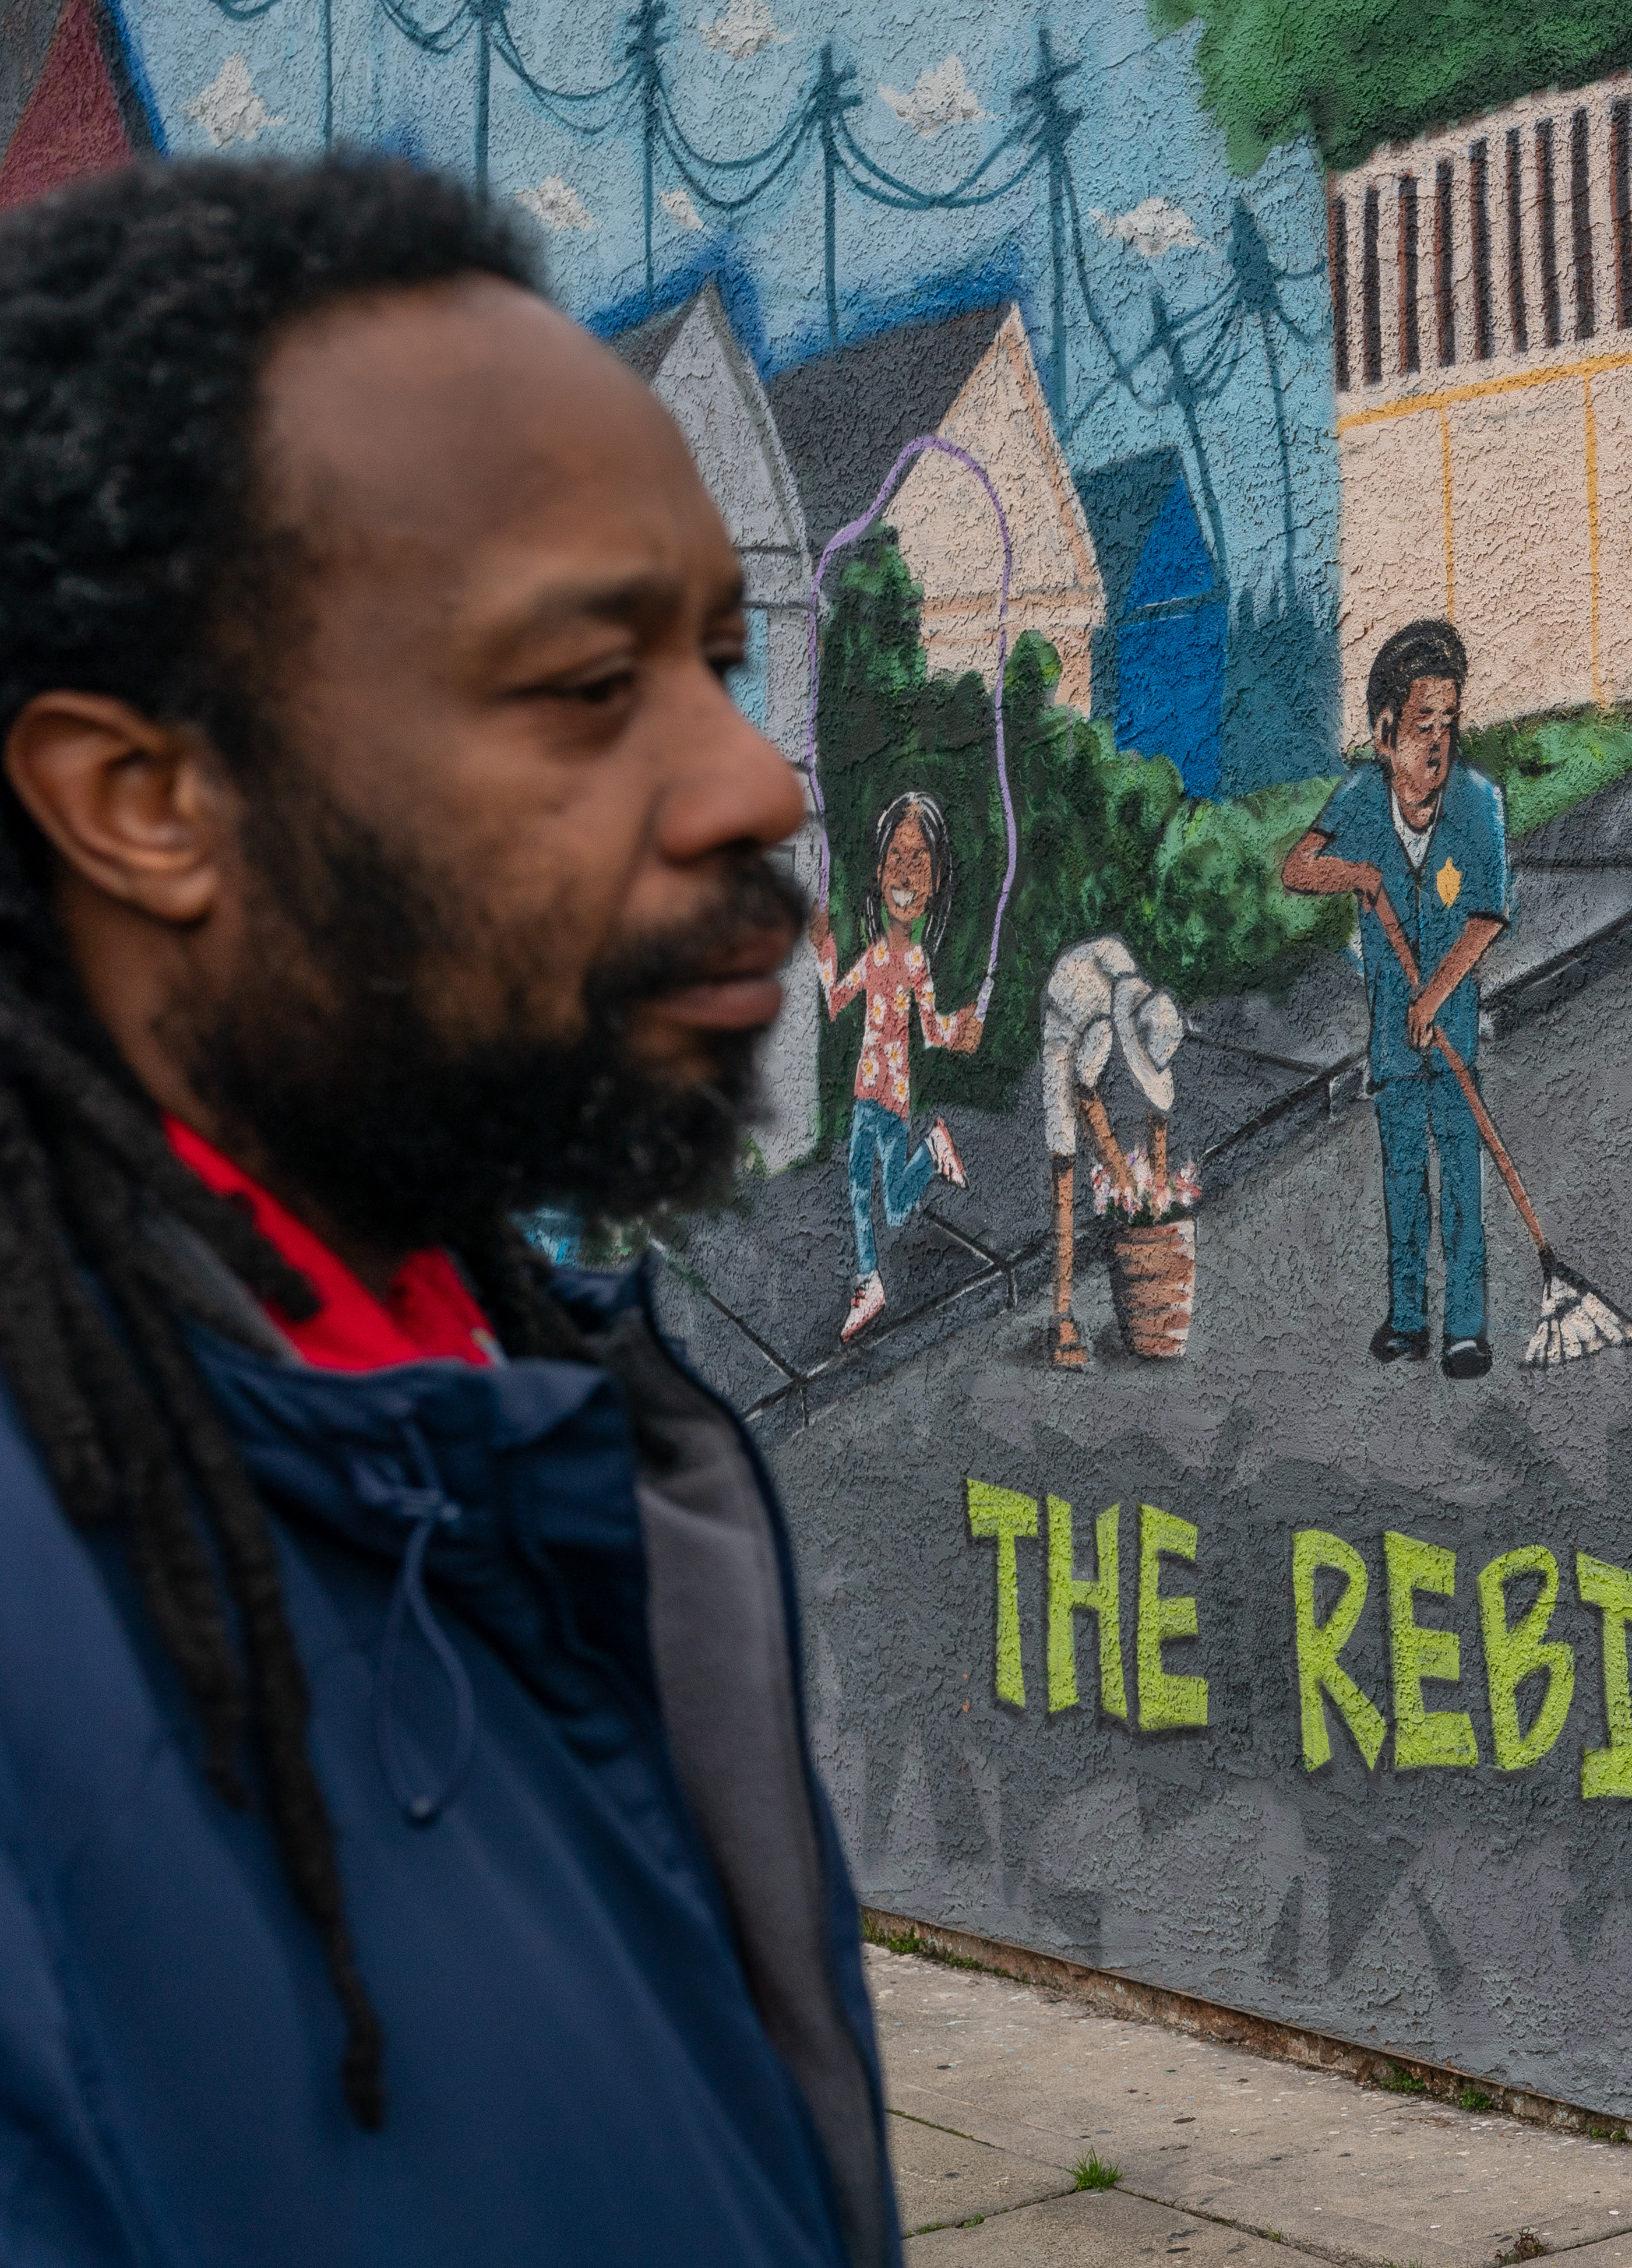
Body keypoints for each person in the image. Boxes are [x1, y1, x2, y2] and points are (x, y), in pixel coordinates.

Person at [0, 156, 895, 2264]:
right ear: (145, 802)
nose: (754, 777)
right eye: (590, 687)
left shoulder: (490, 1397)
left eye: (720, 654)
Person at [1279, 620, 1514, 1379]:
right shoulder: (1359, 798)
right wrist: (1358, 875)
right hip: (1391, 1032)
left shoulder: (1477, 804)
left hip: (1449, 1033)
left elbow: (1485, 917)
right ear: (1385, 734)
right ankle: (1409, 1317)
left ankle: (1466, 1328)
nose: (1438, 742)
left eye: (1449, 723)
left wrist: (1436, 999)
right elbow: (1297, 867)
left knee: (1461, 1178)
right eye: (1422, 725)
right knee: (1403, 1178)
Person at [811, 787, 982, 1342]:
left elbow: (931, 1031)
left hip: (894, 1097)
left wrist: (962, 1031)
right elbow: (838, 1000)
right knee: (860, 1192)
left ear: (932, 887)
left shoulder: (915, 963)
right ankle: (869, 1281)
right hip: (868, 1091)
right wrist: (824, 954)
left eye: (918, 862)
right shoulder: (875, 955)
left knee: (895, 1209)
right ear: (880, 873)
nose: (904, 874)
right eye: (896, 860)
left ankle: (932, 1151)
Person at [1036, 931, 1186, 1368]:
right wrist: (1124, 1178)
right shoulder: (1085, 987)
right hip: (1064, 1025)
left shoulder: (1144, 1014)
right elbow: (1082, 1096)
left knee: (1092, 1103)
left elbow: (1157, 1117)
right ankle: (1061, 1314)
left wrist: (1154, 1196)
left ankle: (1124, 1186)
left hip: (1096, 1022)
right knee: (1063, 1164)